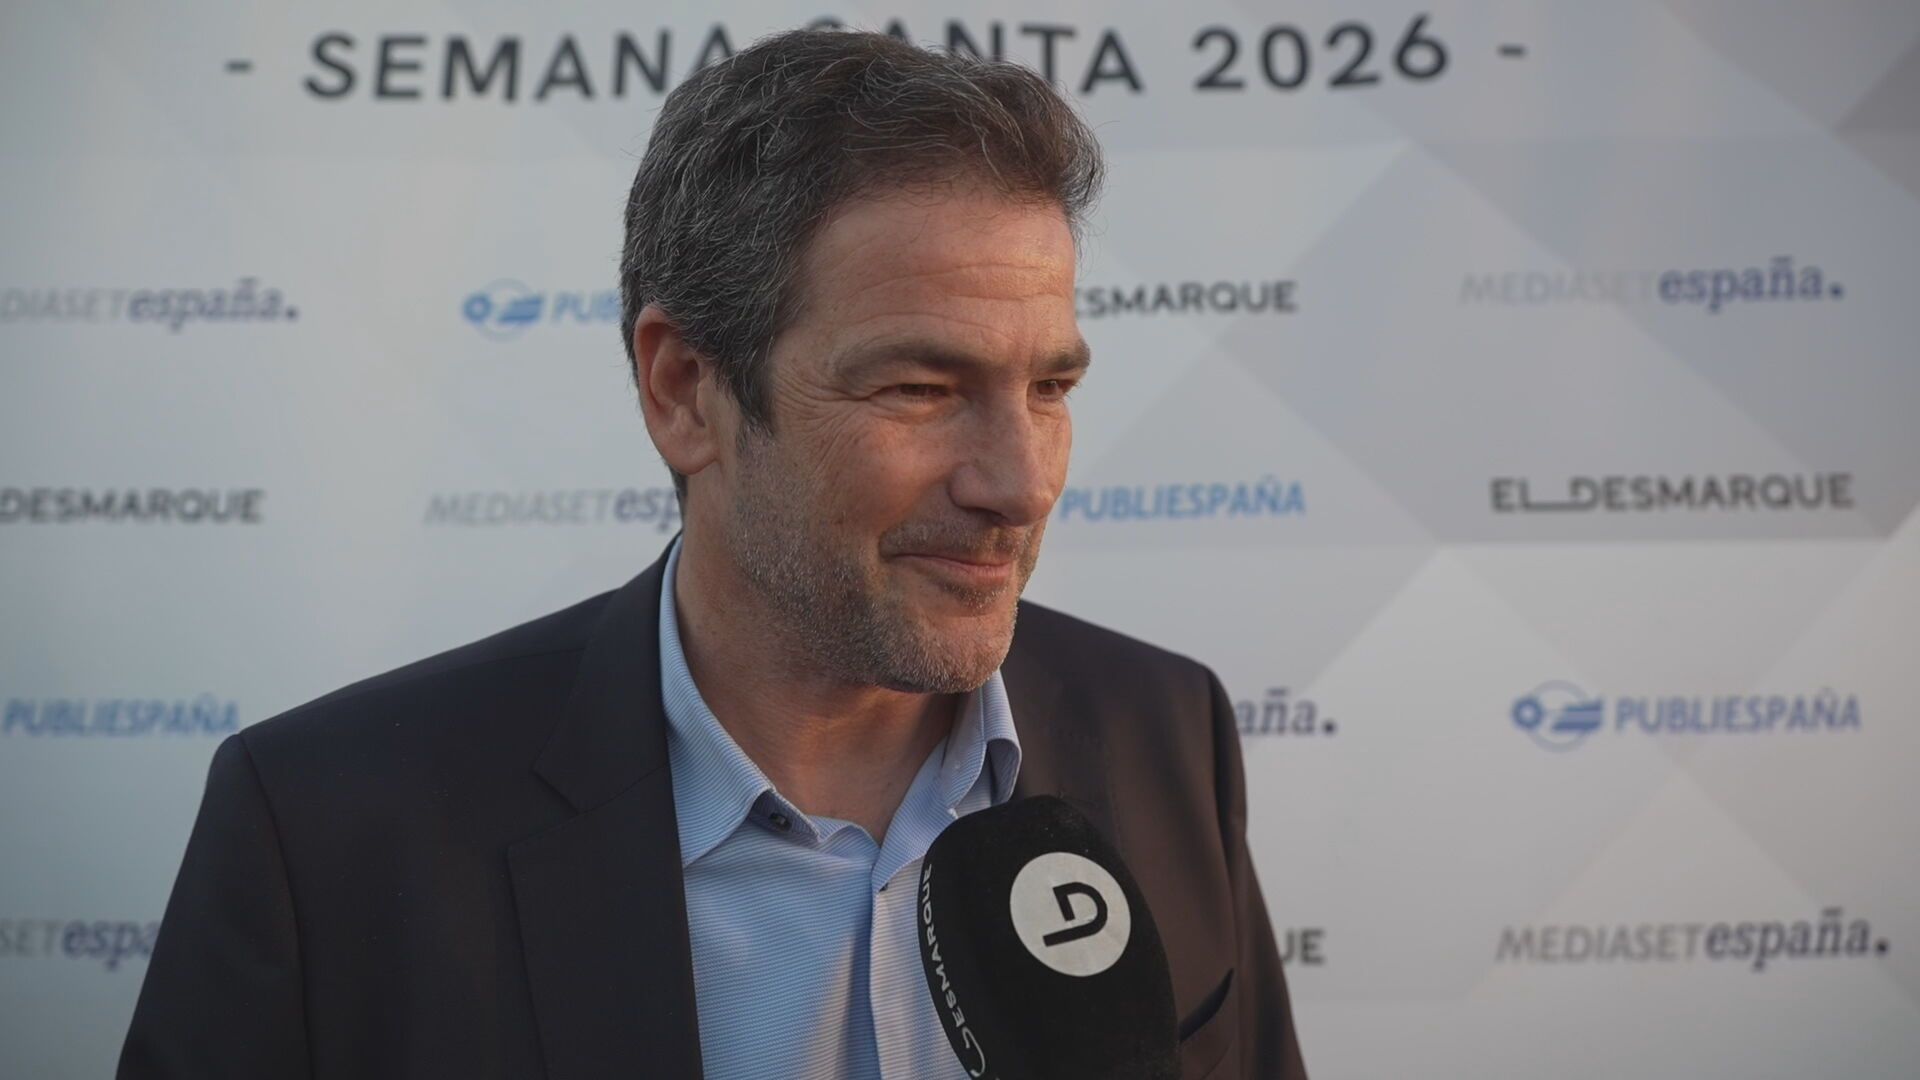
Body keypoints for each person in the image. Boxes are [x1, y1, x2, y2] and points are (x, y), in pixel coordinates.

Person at [119, 28, 1308, 1080]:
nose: (1021, 482)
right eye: (920, 387)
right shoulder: (329, 829)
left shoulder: (1167, 732)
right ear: (685, 389)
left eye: (1049, 388)